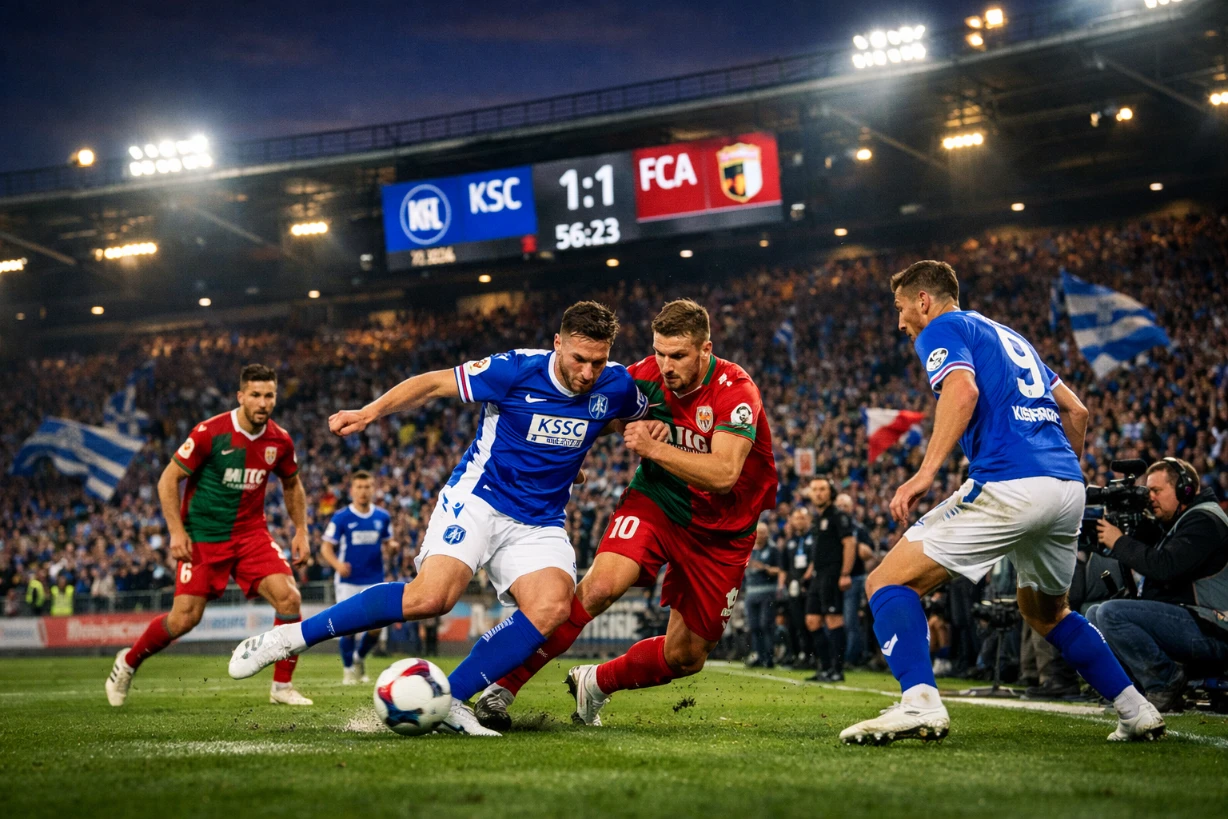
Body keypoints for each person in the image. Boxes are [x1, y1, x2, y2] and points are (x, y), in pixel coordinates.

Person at [228, 301, 651, 737]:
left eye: (597, 362)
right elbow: (431, 385)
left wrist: (575, 452)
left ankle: (453, 700)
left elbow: (625, 417)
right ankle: (289, 639)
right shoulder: (515, 370)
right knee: (431, 599)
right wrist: (369, 412)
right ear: (557, 344)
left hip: (539, 520)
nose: (587, 373)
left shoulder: (615, 384)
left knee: (552, 608)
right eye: (578, 360)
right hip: (479, 500)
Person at [839, 260, 1164, 745]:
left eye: (901, 308)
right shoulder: (1011, 338)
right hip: (1066, 486)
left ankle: (919, 703)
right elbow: (1077, 410)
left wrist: (925, 474)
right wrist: (1062, 474)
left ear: (923, 300)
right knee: (1046, 611)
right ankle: (1136, 709)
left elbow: (962, 388)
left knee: (887, 581)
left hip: (1010, 482)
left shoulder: (942, 327)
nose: (900, 321)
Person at [473, 298, 778, 729]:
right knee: (598, 588)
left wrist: (654, 447)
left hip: (724, 532)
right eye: (659, 352)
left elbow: (725, 474)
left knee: (686, 657)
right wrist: (572, 456)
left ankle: (594, 683)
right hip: (657, 501)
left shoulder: (735, 391)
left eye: (678, 355)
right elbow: (587, 409)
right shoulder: (643, 377)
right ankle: (501, 689)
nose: (666, 365)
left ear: (706, 350)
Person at [106, 364, 313, 707]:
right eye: (256, 395)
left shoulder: (280, 439)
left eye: (270, 396)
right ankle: (127, 663)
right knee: (185, 618)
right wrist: (176, 531)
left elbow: (292, 483)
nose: (263, 403)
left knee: (289, 598)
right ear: (241, 396)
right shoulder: (210, 432)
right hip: (203, 535)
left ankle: (282, 688)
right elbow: (167, 479)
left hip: (250, 534)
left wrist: (301, 529)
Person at [1089, 458, 1228, 712]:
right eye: (1147, 491)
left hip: (1215, 629)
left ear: (1184, 489)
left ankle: (1164, 682)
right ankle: (1133, 689)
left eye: (1156, 491)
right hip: (1195, 622)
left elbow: (1165, 567)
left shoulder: (1205, 520)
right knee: (1095, 614)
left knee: (1111, 614)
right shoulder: (1178, 522)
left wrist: (1119, 542)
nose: (1150, 498)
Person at [319, 470, 397, 685]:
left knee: (376, 627)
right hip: (348, 581)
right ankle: (347, 670)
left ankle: (359, 658)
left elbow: (388, 543)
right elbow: (326, 547)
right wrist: (337, 564)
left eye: (367, 486)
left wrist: (392, 547)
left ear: (373, 489)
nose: (363, 491)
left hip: (374, 578)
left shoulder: (382, 516)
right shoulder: (341, 517)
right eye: (359, 487)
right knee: (348, 626)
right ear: (352, 490)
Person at [803, 478, 855, 682]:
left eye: (822, 489)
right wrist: (810, 569)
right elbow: (818, 549)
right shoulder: (817, 519)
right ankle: (824, 668)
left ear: (830, 491)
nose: (818, 493)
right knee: (812, 621)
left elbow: (849, 544)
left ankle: (837, 670)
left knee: (834, 620)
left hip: (833, 573)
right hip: (817, 575)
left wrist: (845, 573)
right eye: (814, 489)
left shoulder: (838, 516)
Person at [836, 492, 874, 668]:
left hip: (854, 578)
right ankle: (837, 656)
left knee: (850, 620)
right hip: (833, 579)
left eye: (846, 506)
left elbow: (868, 554)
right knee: (835, 619)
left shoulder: (858, 529)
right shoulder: (830, 527)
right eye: (840, 505)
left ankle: (851, 658)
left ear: (852, 508)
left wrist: (854, 544)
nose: (842, 509)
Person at [779, 506, 815, 667]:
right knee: (795, 622)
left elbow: (815, 561)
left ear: (809, 520)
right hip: (793, 587)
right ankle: (798, 654)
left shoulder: (814, 538)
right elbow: (784, 568)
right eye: (797, 518)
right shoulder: (790, 542)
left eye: (802, 518)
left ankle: (812, 655)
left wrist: (803, 580)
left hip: (809, 586)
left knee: (810, 621)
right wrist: (781, 586)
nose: (799, 521)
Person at [743, 522, 781, 668]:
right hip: (751, 592)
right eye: (758, 532)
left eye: (763, 532)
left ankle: (769, 657)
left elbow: (780, 570)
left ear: (767, 534)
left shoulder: (773, 549)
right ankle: (758, 654)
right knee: (754, 626)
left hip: (767, 591)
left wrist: (764, 568)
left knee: (767, 625)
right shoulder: (748, 549)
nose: (760, 535)